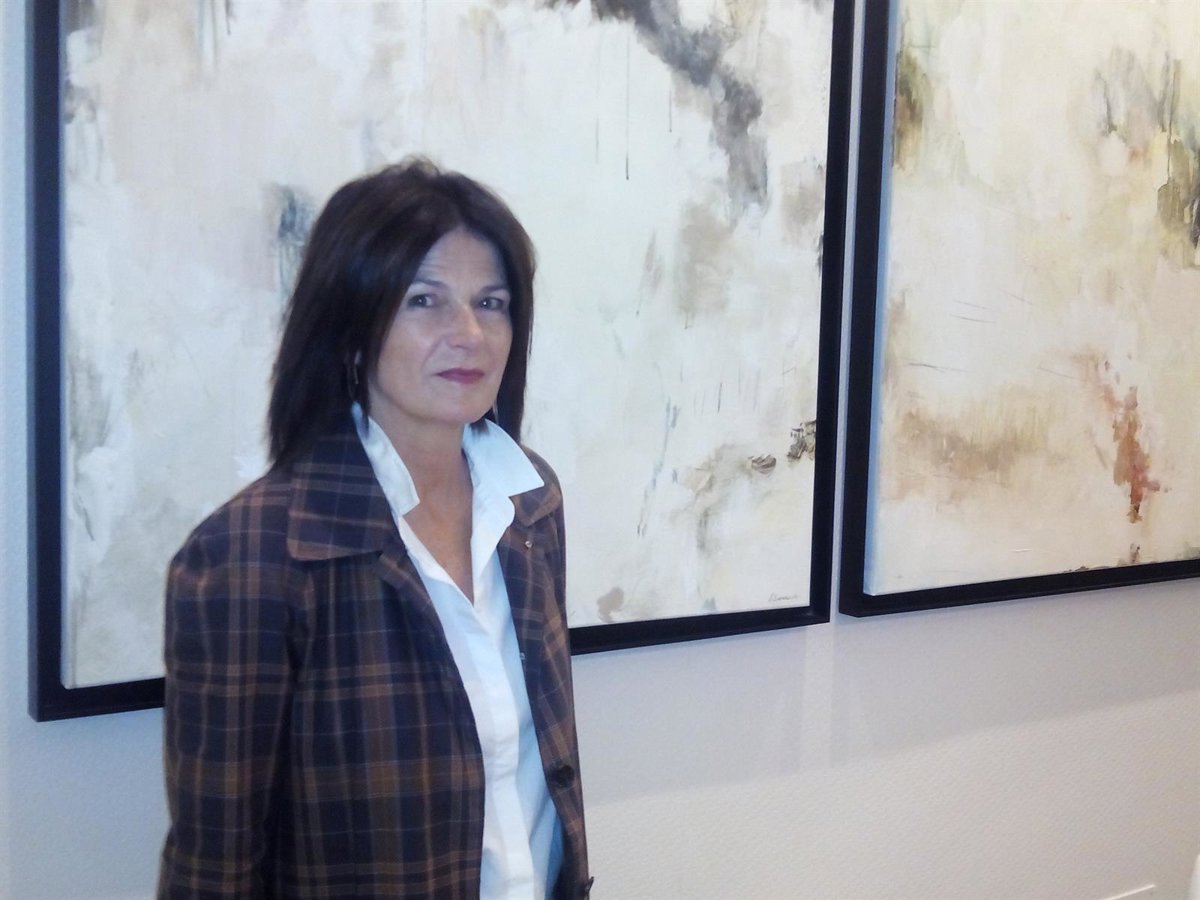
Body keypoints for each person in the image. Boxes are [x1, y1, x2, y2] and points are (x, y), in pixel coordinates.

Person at [158, 159, 591, 900]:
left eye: (491, 303)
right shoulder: (252, 554)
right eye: (425, 300)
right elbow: (214, 868)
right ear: (351, 327)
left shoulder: (529, 501)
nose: (470, 333)